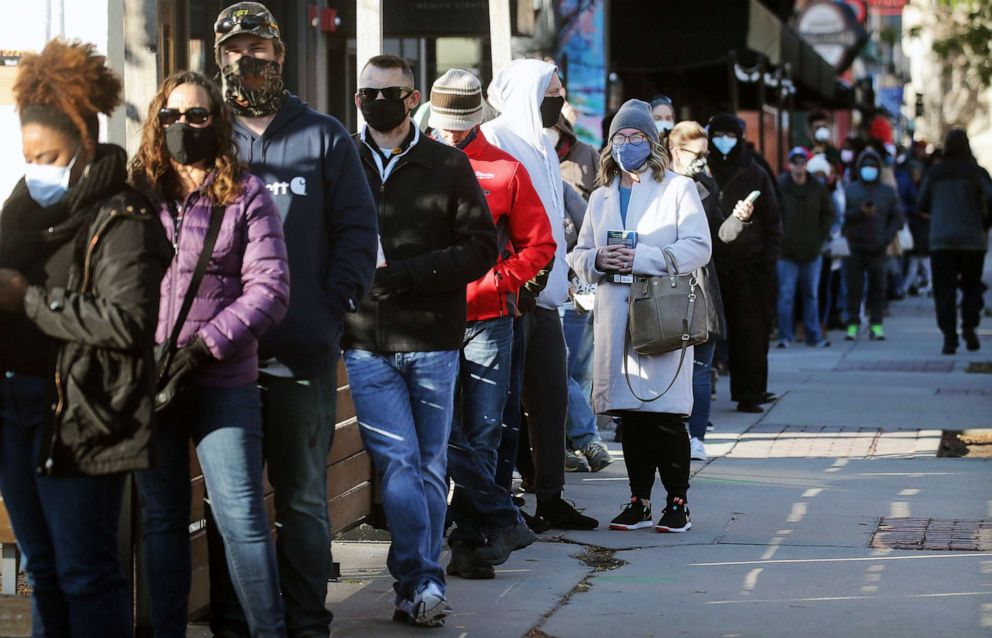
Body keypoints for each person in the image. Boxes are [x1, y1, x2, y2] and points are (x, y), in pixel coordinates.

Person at [208, 3, 380, 636]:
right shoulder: (208, 134)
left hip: (300, 356)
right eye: (232, 49)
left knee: (303, 499)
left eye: (257, 47)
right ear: (218, 56)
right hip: (220, 356)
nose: (245, 59)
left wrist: (328, 309)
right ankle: (235, 622)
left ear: (280, 53)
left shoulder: (325, 135)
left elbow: (359, 234)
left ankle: (307, 622)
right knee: (232, 503)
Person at [0, 40, 171, 637]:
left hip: (85, 417)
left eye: (48, 155)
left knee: (85, 573)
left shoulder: (123, 218)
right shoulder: (21, 207)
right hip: (18, 408)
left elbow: (125, 323)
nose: (36, 169)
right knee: (41, 571)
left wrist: (26, 297)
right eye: (27, 156)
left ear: (86, 144)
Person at [128, 70, 290, 638]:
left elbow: (269, 289)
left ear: (216, 123)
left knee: (241, 517)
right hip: (151, 383)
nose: (184, 126)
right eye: (172, 116)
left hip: (222, 381)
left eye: (197, 115)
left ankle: (268, 632)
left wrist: (204, 347)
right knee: (161, 521)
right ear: (156, 123)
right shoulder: (139, 197)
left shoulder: (246, 194)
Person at [345, 54, 497, 626]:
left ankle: (415, 582)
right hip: (364, 342)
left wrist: (408, 275)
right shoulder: (342, 159)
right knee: (402, 465)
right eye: (367, 93)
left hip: (433, 340)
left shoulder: (446, 164)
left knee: (430, 466)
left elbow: (481, 248)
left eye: (389, 92)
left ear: (412, 100)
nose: (376, 101)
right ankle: (422, 579)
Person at [427, 68, 554, 579]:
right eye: (446, 123)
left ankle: (470, 535)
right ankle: (497, 520)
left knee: (483, 431)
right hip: (430, 317)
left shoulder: (506, 169)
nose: (454, 132)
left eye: (462, 123)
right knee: (439, 431)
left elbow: (540, 243)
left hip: (487, 318)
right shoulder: (414, 163)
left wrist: (500, 282)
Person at [569, 100, 711, 532]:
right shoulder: (601, 195)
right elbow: (578, 254)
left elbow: (699, 246)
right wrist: (599, 258)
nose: (627, 144)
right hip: (616, 313)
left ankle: (678, 503)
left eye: (636, 137)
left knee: (665, 414)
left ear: (651, 143)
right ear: (610, 145)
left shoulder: (677, 189)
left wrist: (645, 257)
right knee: (631, 415)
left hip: (661, 312)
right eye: (620, 138)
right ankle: (639, 500)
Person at [484, 59, 598, 530]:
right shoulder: (496, 140)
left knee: (551, 399)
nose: (560, 98)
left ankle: (550, 497)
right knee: (503, 407)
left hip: (548, 296)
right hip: (511, 297)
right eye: (553, 90)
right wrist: (516, 279)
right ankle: (500, 502)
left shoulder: (545, 147)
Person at [707, 113, 783, 413]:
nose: (723, 141)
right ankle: (702, 393)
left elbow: (774, 220)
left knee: (750, 332)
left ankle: (750, 392)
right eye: (718, 134)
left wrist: (766, 262)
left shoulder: (755, 170)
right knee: (706, 331)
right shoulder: (701, 169)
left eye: (730, 134)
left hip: (748, 267)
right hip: (710, 262)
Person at [668, 121, 728, 462]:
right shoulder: (659, 184)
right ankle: (673, 433)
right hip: (667, 282)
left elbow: (719, 230)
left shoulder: (705, 186)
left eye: (707, 154)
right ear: (677, 151)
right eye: (699, 153)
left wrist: (739, 220)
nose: (704, 160)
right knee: (668, 365)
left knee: (701, 369)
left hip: (701, 284)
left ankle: (697, 436)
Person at [917, 128, 991, 354]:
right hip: (972, 240)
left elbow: (921, 203)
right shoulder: (977, 172)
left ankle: (950, 337)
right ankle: (969, 324)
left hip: (941, 240)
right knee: (972, 285)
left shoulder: (935, 172)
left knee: (944, 289)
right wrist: (984, 224)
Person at [776, 147, 835, 349]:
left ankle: (813, 335)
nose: (799, 165)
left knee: (811, 295)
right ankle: (785, 335)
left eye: (802, 162)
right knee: (786, 295)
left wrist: (821, 237)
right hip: (786, 252)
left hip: (812, 251)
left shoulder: (817, 188)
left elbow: (828, 213)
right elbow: (773, 214)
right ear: (789, 164)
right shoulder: (780, 186)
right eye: (795, 161)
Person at [842, 148, 902, 342]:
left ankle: (876, 325)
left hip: (878, 247)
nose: (869, 169)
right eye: (866, 166)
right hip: (854, 247)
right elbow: (842, 217)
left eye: (872, 166)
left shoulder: (887, 191)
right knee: (853, 289)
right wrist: (860, 213)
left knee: (878, 289)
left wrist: (886, 237)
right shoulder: (850, 189)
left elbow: (897, 218)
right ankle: (852, 324)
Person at [897, 159, 931, 297]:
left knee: (920, 260)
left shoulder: (924, 186)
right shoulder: (906, 186)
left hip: (922, 227)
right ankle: (912, 284)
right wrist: (917, 212)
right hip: (914, 225)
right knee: (915, 260)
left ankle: (920, 284)